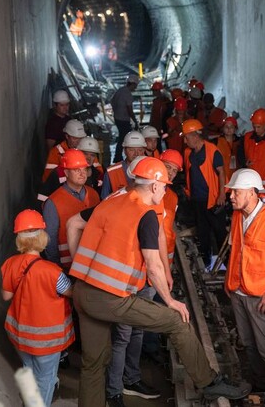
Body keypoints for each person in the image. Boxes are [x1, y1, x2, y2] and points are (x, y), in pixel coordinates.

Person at [69, 157, 251, 406]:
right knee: (176, 320)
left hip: (82, 292)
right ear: (154, 186)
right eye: (164, 185)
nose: (166, 189)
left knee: (93, 364)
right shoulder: (145, 215)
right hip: (111, 297)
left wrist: (76, 269)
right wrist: (170, 301)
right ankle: (209, 383)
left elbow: (73, 223)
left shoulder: (110, 201)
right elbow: (153, 266)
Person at [224, 168, 265, 391]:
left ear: (252, 192)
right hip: (238, 291)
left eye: (236, 192)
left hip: (260, 295)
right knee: (248, 344)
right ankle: (260, 387)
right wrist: (228, 281)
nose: (231, 196)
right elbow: (235, 251)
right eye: (231, 192)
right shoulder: (237, 215)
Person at [1, 209, 74, 406]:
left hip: (21, 335)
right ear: (43, 237)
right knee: (46, 378)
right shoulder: (53, 272)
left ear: (19, 239)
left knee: (29, 370)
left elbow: (6, 295)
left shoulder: (10, 264)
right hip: (47, 340)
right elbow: (71, 293)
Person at [43, 149, 100, 271]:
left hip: (92, 264)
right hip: (67, 268)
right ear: (66, 173)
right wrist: (58, 271)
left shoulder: (94, 194)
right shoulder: (53, 202)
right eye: (76, 170)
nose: (82, 174)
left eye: (84, 169)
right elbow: (50, 242)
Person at [182, 119, 227, 262]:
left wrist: (221, 194)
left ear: (195, 136)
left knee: (219, 231)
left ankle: (226, 260)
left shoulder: (213, 151)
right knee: (203, 232)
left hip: (213, 199)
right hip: (197, 199)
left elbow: (221, 172)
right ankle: (206, 262)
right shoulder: (188, 152)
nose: (184, 141)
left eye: (186, 137)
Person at [37, 136, 103, 203]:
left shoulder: (98, 176)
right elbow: (43, 197)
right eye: (85, 154)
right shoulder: (60, 172)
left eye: (92, 155)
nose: (88, 158)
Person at [237, 108, 265, 200]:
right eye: (254, 126)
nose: (256, 130)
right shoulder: (246, 138)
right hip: (249, 187)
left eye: (259, 127)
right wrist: (244, 162)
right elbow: (239, 154)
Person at [101, 131, 146, 199]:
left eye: (140, 150)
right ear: (124, 150)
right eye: (131, 150)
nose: (136, 153)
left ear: (144, 151)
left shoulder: (151, 170)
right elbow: (104, 200)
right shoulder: (111, 172)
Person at [111, 75, 140, 163]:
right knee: (125, 138)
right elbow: (129, 109)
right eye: (136, 85)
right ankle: (118, 157)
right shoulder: (127, 93)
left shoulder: (120, 90)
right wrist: (135, 121)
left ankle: (118, 156)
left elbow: (112, 102)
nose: (136, 87)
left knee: (122, 137)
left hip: (117, 118)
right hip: (123, 119)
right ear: (133, 84)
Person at [216, 116, 240, 184]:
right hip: (221, 178)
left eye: (231, 127)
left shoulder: (240, 142)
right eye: (226, 127)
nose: (229, 129)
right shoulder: (216, 142)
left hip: (237, 178)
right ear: (223, 128)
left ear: (235, 129)